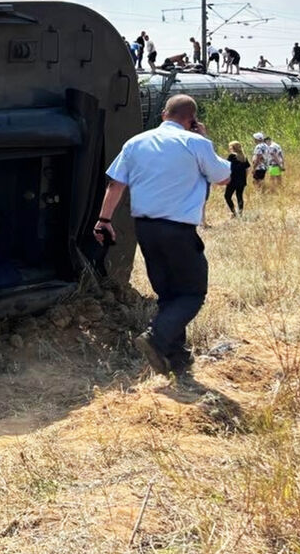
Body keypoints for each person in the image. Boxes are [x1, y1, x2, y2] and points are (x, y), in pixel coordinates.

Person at [94, 95, 230, 377]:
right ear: (191, 120)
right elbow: (223, 178)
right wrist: (206, 140)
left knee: (168, 292)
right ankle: (156, 337)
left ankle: (174, 356)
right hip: (178, 230)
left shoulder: (136, 142)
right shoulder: (195, 143)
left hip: (145, 229)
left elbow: (116, 184)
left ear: (164, 115)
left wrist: (104, 220)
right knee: (193, 292)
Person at [225, 142, 250, 217]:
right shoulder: (244, 157)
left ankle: (233, 212)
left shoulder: (232, 156)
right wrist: (244, 178)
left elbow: (227, 168)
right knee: (239, 196)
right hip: (242, 180)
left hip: (232, 180)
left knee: (227, 196)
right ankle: (240, 212)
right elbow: (247, 169)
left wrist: (226, 178)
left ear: (232, 148)